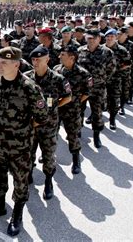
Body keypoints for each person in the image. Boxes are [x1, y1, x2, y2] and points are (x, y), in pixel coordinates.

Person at [0, 46, 47, 237]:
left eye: (5, 63)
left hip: (19, 146)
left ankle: (17, 213)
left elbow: (42, 116)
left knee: (20, 181)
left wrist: (21, 130)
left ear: (16, 64)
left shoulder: (29, 87)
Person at [25, 46, 72, 199]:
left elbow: (68, 96)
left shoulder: (58, 79)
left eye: (39, 59)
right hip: (30, 126)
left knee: (48, 156)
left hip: (48, 127)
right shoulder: (26, 78)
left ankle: (48, 182)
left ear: (48, 59)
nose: (35, 62)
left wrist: (54, 107)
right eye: (33, 59)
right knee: (28, 154)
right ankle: (29, 175)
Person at [54, 45, 93, 174]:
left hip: (72, 110)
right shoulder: (56, 70)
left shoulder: (83, 73)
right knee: (52, 133)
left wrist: (75, 102)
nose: (59, 56)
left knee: (73, 135)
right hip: (57, 109)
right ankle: (49, 155)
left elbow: (87, 93)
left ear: (72, 58)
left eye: (63, 55)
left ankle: (76, 160)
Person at [78, 29, 116, 147]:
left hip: (98, 88)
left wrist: (101, 80)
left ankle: (96, 136)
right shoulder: (80, 51)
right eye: (89, 38)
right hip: (82, 88)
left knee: (97, 113)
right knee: (79, 111)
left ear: (99, 39)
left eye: (94, 38)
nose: (91, 41)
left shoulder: (107, 52)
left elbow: (111, 69)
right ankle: (77, 131)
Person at [104, 28, 131, 130]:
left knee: (114, 100)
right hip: (102, 80)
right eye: (108, 37)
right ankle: (95, 116)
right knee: (99, 101)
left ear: (116, 38)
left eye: (112, 37)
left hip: (116, 79)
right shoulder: (101, 49)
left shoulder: (122, 50)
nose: (110, 38)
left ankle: (112, 119)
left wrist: (116, 70)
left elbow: (127, 64)